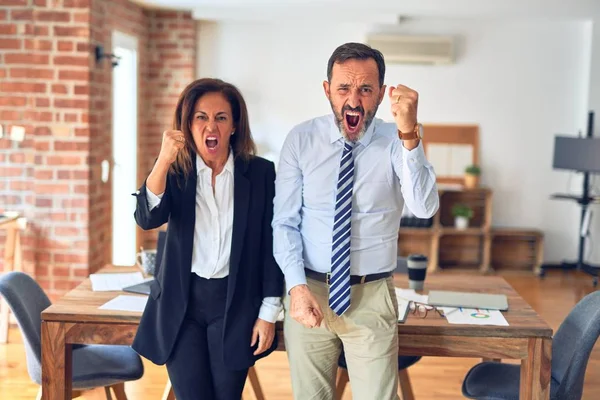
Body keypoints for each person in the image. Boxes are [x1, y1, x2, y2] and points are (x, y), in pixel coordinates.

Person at [272, 42, 439, 399]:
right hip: (309, 293)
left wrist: (410, 134)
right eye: (343, 88)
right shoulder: (301, 140)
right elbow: (284, 223)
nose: (353, 100)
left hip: (372, 295)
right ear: (326, 90)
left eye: (365, 89)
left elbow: (424, 208)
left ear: (381, 93)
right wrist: (296, 288)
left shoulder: (398, 140)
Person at [132, 78, 284, 400]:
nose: (210, 126)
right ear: (187, 125)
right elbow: (148, 218)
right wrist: (162, 160)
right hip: (180, 306)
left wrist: (268, 311)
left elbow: (272, 247)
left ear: (234, 126)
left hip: (235, 305)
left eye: (221, 117)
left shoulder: (260, 174)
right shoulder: (175, 172)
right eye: (200, 117)